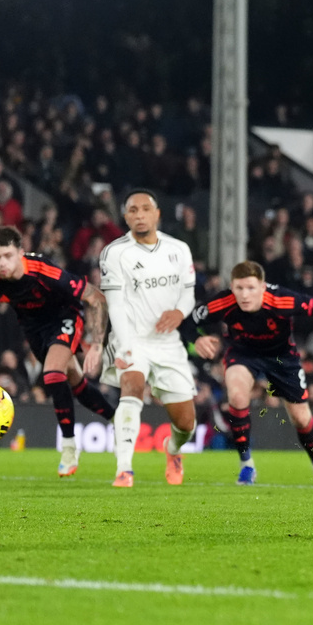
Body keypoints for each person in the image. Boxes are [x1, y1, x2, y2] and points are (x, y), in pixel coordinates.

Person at [0, 225, 115, 477]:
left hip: (66, 316)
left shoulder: (45, 272)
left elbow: (94, 296)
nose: (1, 263)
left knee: (52, 374)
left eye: (8, 255)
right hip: (33, 328)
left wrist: (96, 344)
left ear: (21, 252)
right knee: (75, 381)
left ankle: (69, 446)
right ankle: (118, 419)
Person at [188, 260, 313, 487]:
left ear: (262, 287)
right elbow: (188, 322)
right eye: (239, 288)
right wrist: (197, 338)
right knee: (236, 395)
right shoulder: (221, 301)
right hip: (243, 354)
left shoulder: (281, 299)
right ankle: (246, 465)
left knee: (301, 418)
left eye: (251, 288)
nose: (244, 294)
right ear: (232, 287)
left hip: (282, 358)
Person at [99, 189, 198, 488]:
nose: (139, 215)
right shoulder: (115, 252)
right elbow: (114, 303)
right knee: (131, 387)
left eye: (145, 209)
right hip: (133, 338)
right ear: (125, 216)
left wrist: (180, 313)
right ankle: (124, 469)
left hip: (168, 343)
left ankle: (173, 449)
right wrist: (125, 345)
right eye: (132, 210)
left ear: (157, 214)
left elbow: (189, 293)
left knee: (185, 424)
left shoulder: (179, 249)